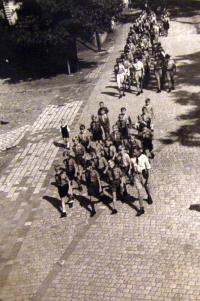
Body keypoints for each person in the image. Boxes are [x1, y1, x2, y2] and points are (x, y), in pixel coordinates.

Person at [130, 147, 153, 216]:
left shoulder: (144, 157)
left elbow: (148, 168)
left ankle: (149, 196)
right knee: (139, 192)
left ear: (138, 151)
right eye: (133, 152)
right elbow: (132, 168)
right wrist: (132, 177)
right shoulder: (132, 159)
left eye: (135, 152)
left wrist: (148, 178)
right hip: (136, 176)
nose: (134, 153)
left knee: (146, 187)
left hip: (143, 175)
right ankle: (141, 208)